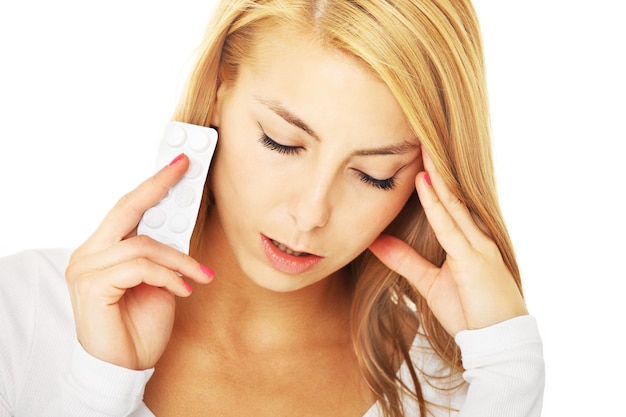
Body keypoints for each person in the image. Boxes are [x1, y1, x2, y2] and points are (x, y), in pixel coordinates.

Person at [0, 0, 544, 416]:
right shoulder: (24, 311)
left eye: (373, 174)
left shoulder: (450, 382)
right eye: (282, 143)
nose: (310, 214)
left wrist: (508, 372)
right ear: (219, 90)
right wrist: (98, 386)